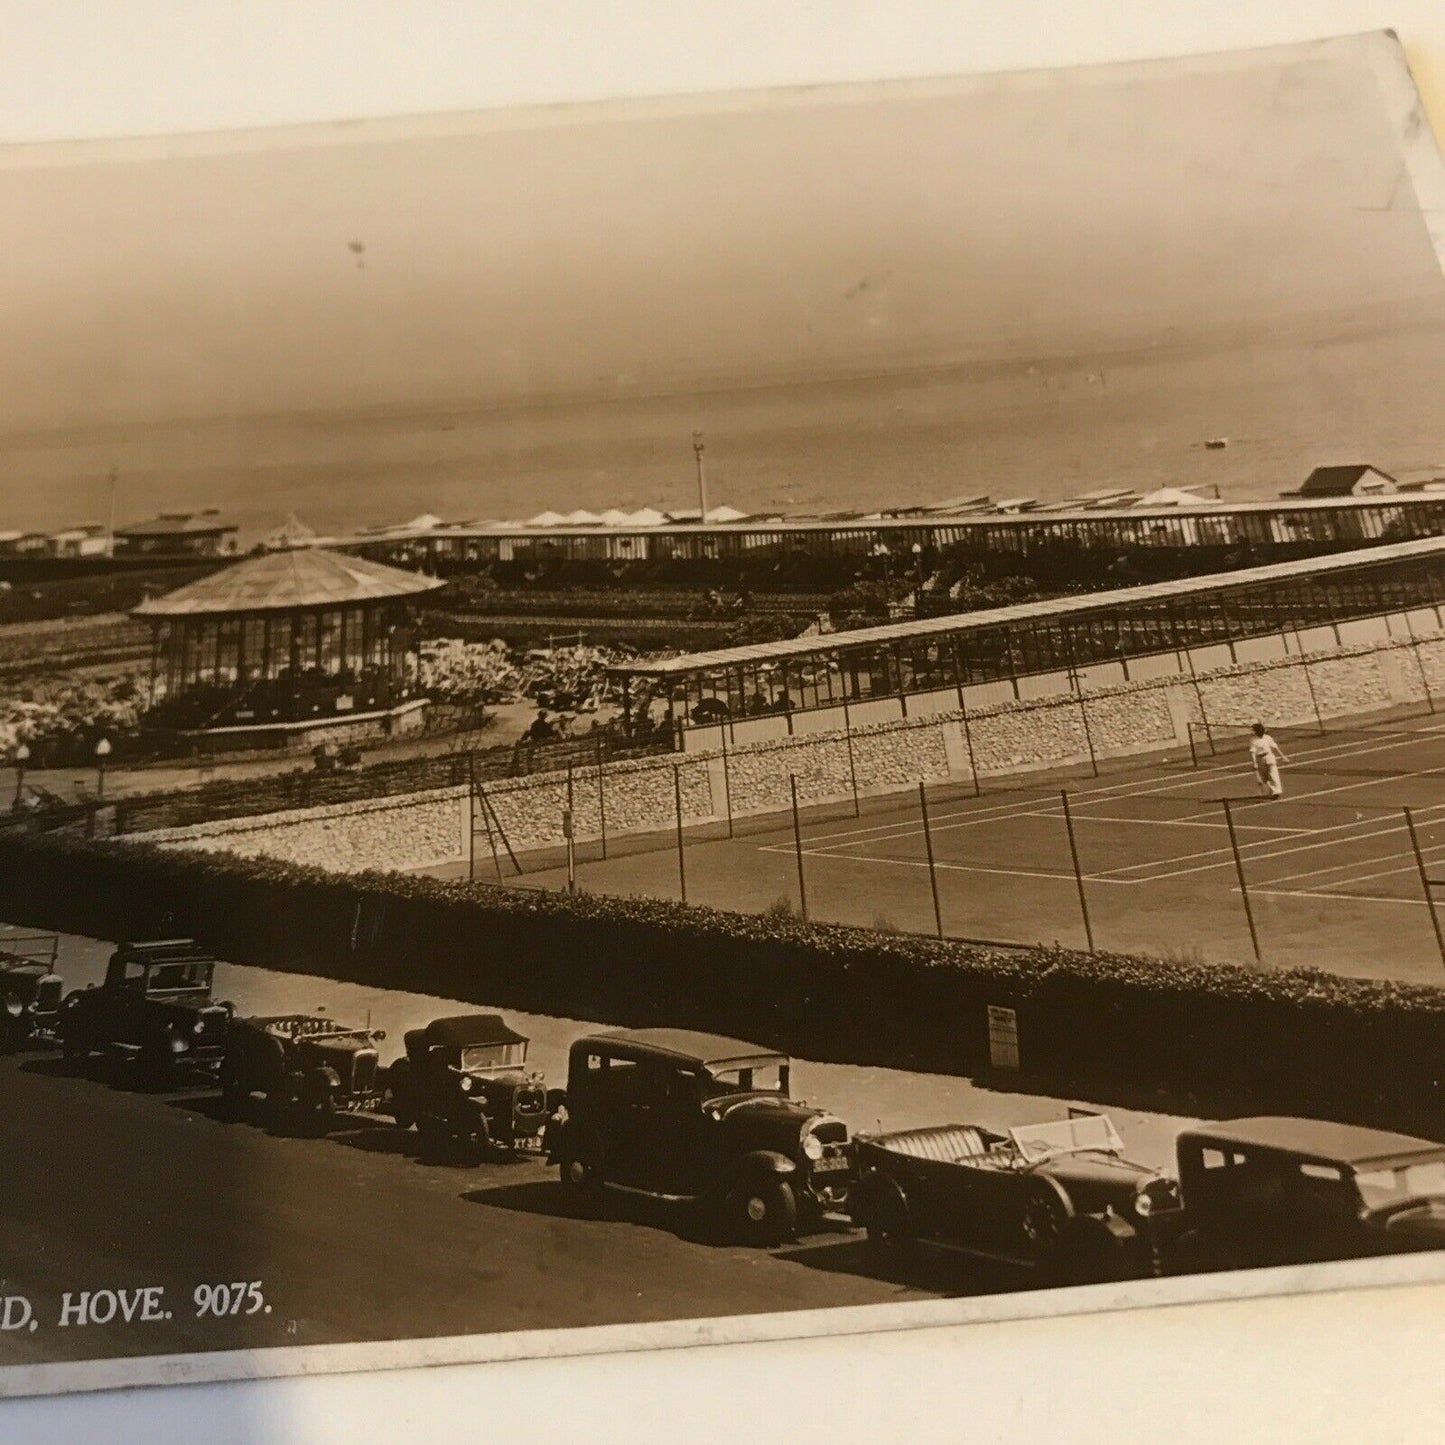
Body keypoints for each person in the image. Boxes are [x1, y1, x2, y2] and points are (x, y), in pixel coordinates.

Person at [1249, 722, 1288, 799]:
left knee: (1273, 774)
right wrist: (1254, 763)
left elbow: (1275, 747)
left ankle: (1276, 791)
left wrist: (1283, 756)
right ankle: (1272, 790)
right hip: (1260, 759)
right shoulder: (1253, 740)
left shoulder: (1268, 738)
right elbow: (1252, 752)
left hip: (1269, 756)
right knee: (1264, 778)